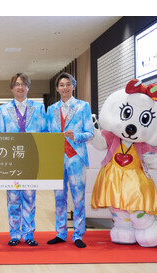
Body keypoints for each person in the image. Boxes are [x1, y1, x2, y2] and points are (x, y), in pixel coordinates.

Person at [0, 73, 47, 246]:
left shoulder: (39, 108)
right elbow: (1, 136)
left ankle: (29, 234)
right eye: (17, 84)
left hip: (31, 159)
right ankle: (14, 234)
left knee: (29, 198)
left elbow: (44, 133)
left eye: (23, 84)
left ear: (28, 87)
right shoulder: (2, 109)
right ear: (12, 88)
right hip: (11, 160)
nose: (20, 87)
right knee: (12, 199)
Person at [46, 72, 94, 248]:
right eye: (61, 85)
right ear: (57, 88)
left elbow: (90, 133)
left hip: (76, 157)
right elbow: (47, 134)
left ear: (73, 86)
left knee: (78, 197)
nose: (64, 88)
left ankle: (79, 234)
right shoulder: (51, 109)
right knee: (59, 197)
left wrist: (77, 135)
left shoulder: (83, 107)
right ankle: (60, 232)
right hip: (56, 157)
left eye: (68, 84)